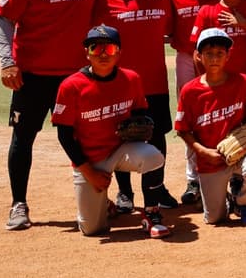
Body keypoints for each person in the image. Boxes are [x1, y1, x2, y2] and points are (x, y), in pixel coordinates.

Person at [0, 0, 109, 231]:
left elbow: (111, 1)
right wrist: (7, 62)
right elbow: (4, 21)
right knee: (23, 138)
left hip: (75, 78)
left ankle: (99, 198)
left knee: (87, 137)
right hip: (31, 76)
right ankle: (19, 204)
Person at [52, 25, 169, 238]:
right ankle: (106, 205)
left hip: (120, 150)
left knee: (153, 156)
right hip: (90, 159)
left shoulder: (131, 79)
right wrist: (90, 174)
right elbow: (64, 136)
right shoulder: (71, 86)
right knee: (92, 229)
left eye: (110, 49)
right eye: (96, 48)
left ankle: (152, 212)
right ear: (86, 53)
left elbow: (140, 111)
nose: (104, 55)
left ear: (120, 53)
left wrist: (142, 124)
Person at [104, 0, 179, 213]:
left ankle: (156, 191)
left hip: (155, 82)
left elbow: (173, 27)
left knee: (156, 138)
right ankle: (125, 192)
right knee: (121, 137)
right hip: (121, 84)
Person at [174, 28, 246, 225]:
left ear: (228, 56)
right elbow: (183, 129)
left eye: (219, 53)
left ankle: (243, 203)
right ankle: (225, 200)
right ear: (199, 56)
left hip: (239, 154)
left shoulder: (243, 82)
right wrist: (203, 151)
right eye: (208, 53)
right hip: (209, 160)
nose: (214, 58)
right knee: (215, 219)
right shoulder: (190, 91)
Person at [169, 0, 223, 206]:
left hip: (217, 55)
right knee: (190, 115)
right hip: (185, 56)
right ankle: (193, 178)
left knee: (220, 111)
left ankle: (225, 172)